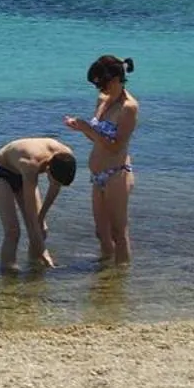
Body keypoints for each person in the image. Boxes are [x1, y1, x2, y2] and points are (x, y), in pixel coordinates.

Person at [63, 54, 139, 264]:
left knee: (118, 232)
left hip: (116, 173)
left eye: (102, 85)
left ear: (115, 80)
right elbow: (96, 138)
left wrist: (88, 128)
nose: (100, 90)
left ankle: (121, 281)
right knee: (101, 232)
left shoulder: (129, 107)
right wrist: (80, 128)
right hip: (97, 175)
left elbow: (116, 147)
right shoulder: (103, 100)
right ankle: (105, 281)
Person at [0, 137, 78, 272]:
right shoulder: (31, 164)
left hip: (23, 173)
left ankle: (34, 267)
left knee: (41, 229)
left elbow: (54, 188)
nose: (55, 185)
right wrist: (44, 250)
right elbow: (30, 216)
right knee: (13, 231)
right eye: (54, 181)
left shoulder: (65, 157)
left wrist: (41, 217)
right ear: (48, 168)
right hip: (2, 173)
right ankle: (8, 272)